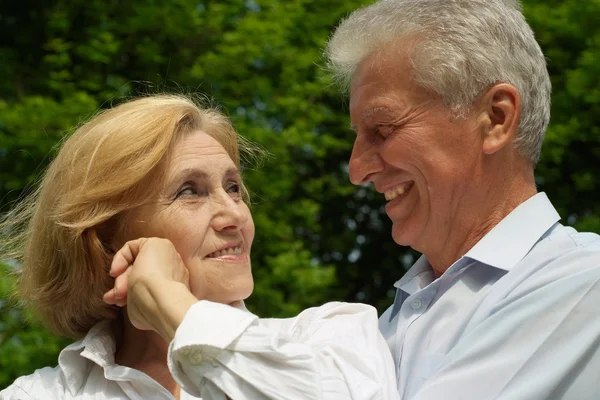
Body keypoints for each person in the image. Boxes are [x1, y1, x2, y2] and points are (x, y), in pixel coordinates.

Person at [0, 95, 399, 399]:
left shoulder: (334, 337)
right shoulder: (39, 394)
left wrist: (169, 302)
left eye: (233, 188)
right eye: (189, 191)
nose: (234, 216)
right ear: (105, 238)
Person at [323, 0, 600, 399]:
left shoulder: (579, 281)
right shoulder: (392, 318)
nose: (356, 170)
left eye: (382, 129)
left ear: (496, 119)